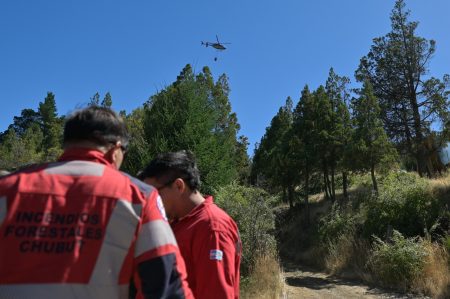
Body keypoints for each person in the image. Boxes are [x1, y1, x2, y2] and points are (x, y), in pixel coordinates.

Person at [0, 106, 193, 299]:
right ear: (116, 149)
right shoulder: (138, 195)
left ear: (68, 144)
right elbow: (167, 283)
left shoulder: (6, 189)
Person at [139, 150, 241, 299]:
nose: (150, 202)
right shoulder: (178, 221)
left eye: (154, 194)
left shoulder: (212, 227)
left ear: (179, 186)